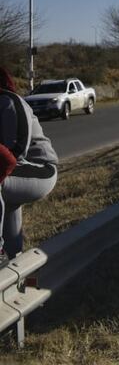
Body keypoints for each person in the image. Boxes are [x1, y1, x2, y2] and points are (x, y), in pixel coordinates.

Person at [0, 67, 58, 259]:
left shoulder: (8, 101)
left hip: (41, 169)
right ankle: (13, 263)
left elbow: (13, 154)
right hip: (16, 169)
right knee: (9, 208)